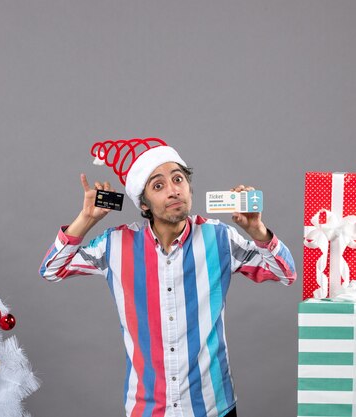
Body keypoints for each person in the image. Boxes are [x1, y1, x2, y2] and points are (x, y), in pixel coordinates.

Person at [39, 138, 296, 417]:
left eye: (178, 179)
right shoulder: (115, 244)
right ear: (145, 203)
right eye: (158, 186)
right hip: (147, 409)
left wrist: (257, 229)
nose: (173, 191)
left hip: (213, 408)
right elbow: (52, 269)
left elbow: (286, 273)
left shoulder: (220, 238)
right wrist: (86, 219)